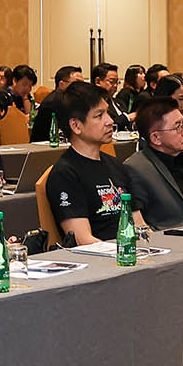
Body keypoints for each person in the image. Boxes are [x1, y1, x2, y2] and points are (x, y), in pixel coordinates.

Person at [44, 84, 138, 246]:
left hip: (130, 251)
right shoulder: (65, 174)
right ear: (76, 126)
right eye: (99, 115)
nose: (110, 121)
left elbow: (139, 223)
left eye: (107, 113)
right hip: (102, 256)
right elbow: (84, 240)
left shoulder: (116, 165)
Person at [120, 98, 183, 230]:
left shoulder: (181, 159)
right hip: (175, 236)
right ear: (156, 138)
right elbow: (139, 224)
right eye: (178, 127)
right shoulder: (136, 168)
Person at [30, 65, 85, 143]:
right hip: (45, 147)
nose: (81, 88)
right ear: (61, 84)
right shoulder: (52, 103)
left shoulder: (70, 101)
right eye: (77, 83)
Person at [92, 63, 132, 131]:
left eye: (117, 82)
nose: (115, 85)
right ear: (98, 81)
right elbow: (106, 126)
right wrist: (127, 117)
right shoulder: (93, 104)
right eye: (111, 81)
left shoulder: (119, 102)